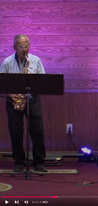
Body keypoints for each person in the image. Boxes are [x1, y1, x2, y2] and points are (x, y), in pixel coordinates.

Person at [0, 34, 47, 172]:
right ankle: (19, 162)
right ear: (15, 47)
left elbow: (42, 81)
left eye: (26, 45)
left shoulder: (35, 60)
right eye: (20, 46)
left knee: (37, 130)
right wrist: (10, 94)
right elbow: (1, 83)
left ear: (29, 46)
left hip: (32, 99)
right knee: (16, 131)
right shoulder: (7, 62)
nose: (24, 49)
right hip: (13, 99)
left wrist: (29, 93)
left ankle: (39, 162)